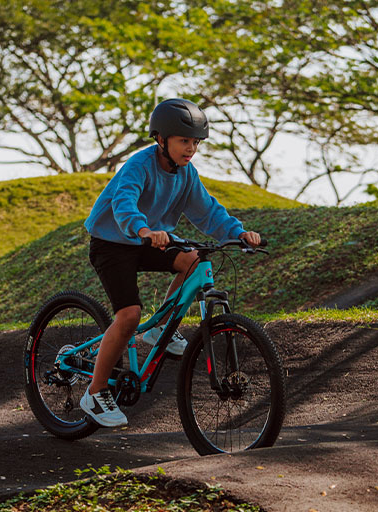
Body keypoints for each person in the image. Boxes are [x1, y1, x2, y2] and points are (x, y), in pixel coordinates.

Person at [81, 98, 261, 427]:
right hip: (114, 241)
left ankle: (162, 327)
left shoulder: (186, 174)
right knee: (130, 315)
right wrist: (144, 229)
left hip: (150, 238)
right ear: (161, 140)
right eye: (184, 141)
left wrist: (238, 233)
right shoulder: (139, 165)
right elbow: (124, 202)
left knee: (193, 260)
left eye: (195, 142)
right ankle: (95, 392)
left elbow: (208, 212)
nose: (190, 148)